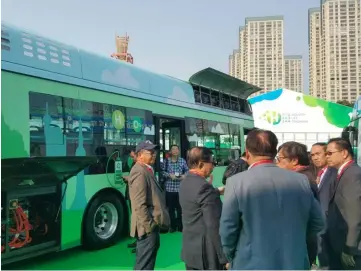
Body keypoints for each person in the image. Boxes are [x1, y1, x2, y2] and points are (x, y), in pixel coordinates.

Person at [220, 129, 325, 270]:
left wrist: (232, 256)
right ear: (275, 151)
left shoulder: (236, 182)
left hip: (251, 263)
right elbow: (318, 222)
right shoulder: (301, 181)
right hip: (294, 261)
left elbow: (228, 230)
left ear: (247, 152)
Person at [179, 147, 227, 270]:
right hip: (206, 255)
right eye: (212, 163)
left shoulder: (185, 182)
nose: (214, 166)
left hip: (190, 250)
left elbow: (197, 200)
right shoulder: (204, 188)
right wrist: (224, 257)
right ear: (201, 164)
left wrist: (214, 191)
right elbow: (214, 225)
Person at [276, 141, 320, 268]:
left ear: (294, 160)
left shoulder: (299, 181)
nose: (277, 162)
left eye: (280, 158)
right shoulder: (302, 176)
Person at [128, 140, 170, 270]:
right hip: (147, 228)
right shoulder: (139, 171)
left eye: (154, 152)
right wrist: (149, 227)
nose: (154, 154)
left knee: (147, 263)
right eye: (150, 152)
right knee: (144, 265)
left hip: (151, 225)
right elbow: (139, 204)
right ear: (140, 155)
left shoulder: (146, 169)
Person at [325, 138, 361, 270]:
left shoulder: (352, 175)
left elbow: (354, 213)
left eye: (330, 153)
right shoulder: (343, 172)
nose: (326, 156)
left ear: (344, 153)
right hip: (339, 241)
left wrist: (349, 247)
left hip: (349, 246)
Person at [310, 142, 337, 269]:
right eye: (312, 155)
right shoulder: (321, 173)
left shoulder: (334, 173)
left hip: (331, 229)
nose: (315, 157)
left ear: (327, 154)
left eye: (318, 154)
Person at [161, 145, 188, 232]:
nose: (175, 151)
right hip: (170, 189)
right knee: (171, 209)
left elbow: (187, 171)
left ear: (179, 151)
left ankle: (180, 226)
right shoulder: (166, 161)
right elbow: (162, 171)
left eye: (177, 149)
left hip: (180, 189)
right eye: (173, 149)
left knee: (180, 209)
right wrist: (169, 175)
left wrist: (184, 176)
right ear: (170, 151)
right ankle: (172, 226)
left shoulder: (182, 161)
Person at [122, 147, 137, 253]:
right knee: (135, 218)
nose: (131, 158)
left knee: (139, 219)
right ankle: (137, 240)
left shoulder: (140, 166)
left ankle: (140, 244)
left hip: (137, 196)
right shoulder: (134, 164)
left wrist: (129, 178)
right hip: (131, 194)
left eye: (133, 156)